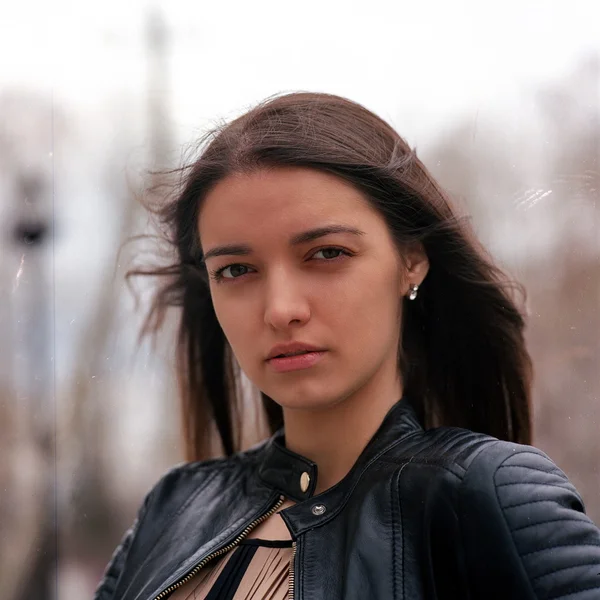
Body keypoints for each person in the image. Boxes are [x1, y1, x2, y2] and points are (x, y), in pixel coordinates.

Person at [94, 91, 600, 600]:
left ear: (411, 261)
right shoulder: (175, 507)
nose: (280, 308)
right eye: (236, 270)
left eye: (327, 253)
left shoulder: (485, 493)